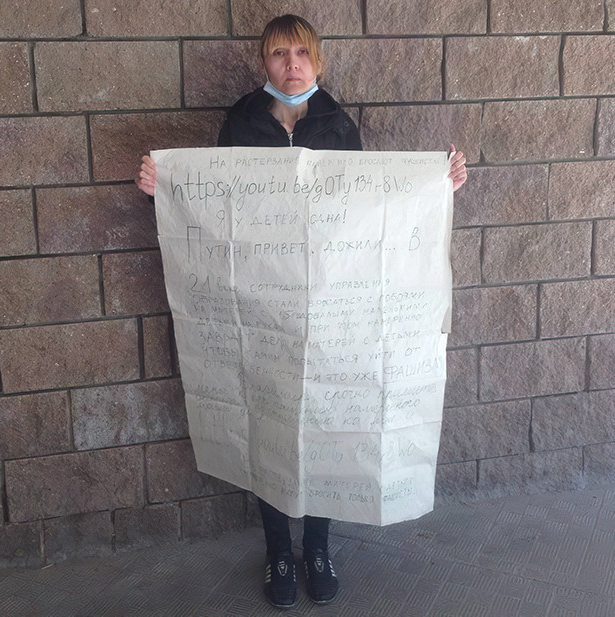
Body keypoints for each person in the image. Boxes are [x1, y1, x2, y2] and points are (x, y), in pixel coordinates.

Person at [138, 14, 468, 609]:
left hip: (329, 309)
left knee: (321, 420)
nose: (291, 64)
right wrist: (163, 187)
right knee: (268, 421)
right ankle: (277, 551)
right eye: (278, 54)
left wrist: (437, 185)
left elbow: (373, 205)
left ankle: (317, 547)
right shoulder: (241, 122)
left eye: (301, 53)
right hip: (262, 308)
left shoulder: (338, 124)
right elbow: (213, 201)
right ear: (264, 62)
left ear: (318, 61)